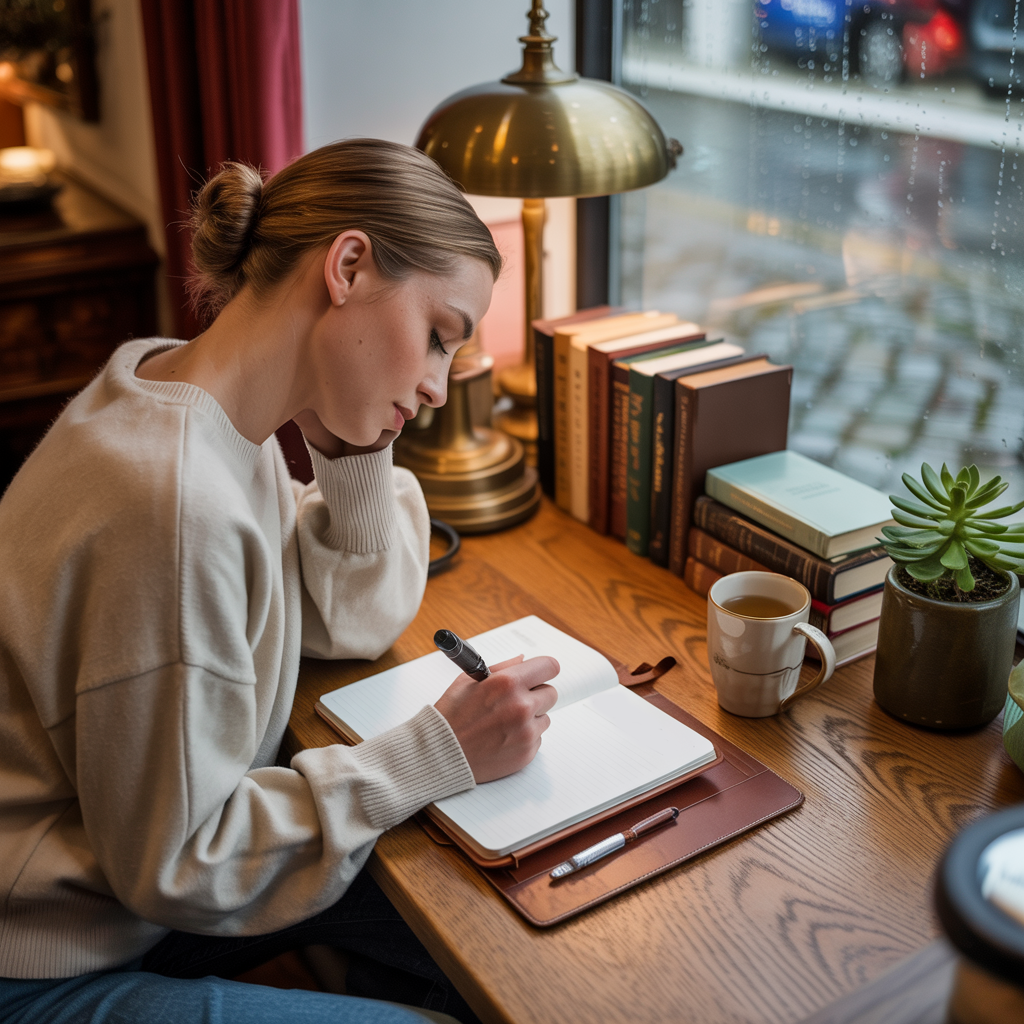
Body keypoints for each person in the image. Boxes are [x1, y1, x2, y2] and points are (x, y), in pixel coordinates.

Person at [0, 139, 560, 1024]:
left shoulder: (191, 396)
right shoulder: (173, 503)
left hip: (115, 891)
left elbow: (345, 623)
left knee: (497, 917)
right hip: (44, 960)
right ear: (347, 265)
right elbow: (181, 861)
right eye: (439, 337)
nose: (440, 387)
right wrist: (433, 753)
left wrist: (365, 438)